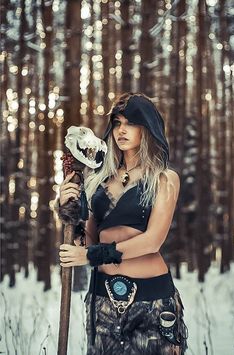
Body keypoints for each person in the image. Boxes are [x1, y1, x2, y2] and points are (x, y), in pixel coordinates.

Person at [57, 93, 188, 355]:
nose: (121, 130)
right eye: (116, 123)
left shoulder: (164, 178)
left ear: (147, 127)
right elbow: (89, 240)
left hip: (152, 303)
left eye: (130, 123)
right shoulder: (99, 181)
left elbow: (153, 241)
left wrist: (90, 255)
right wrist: (67, 208)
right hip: (102, 303)